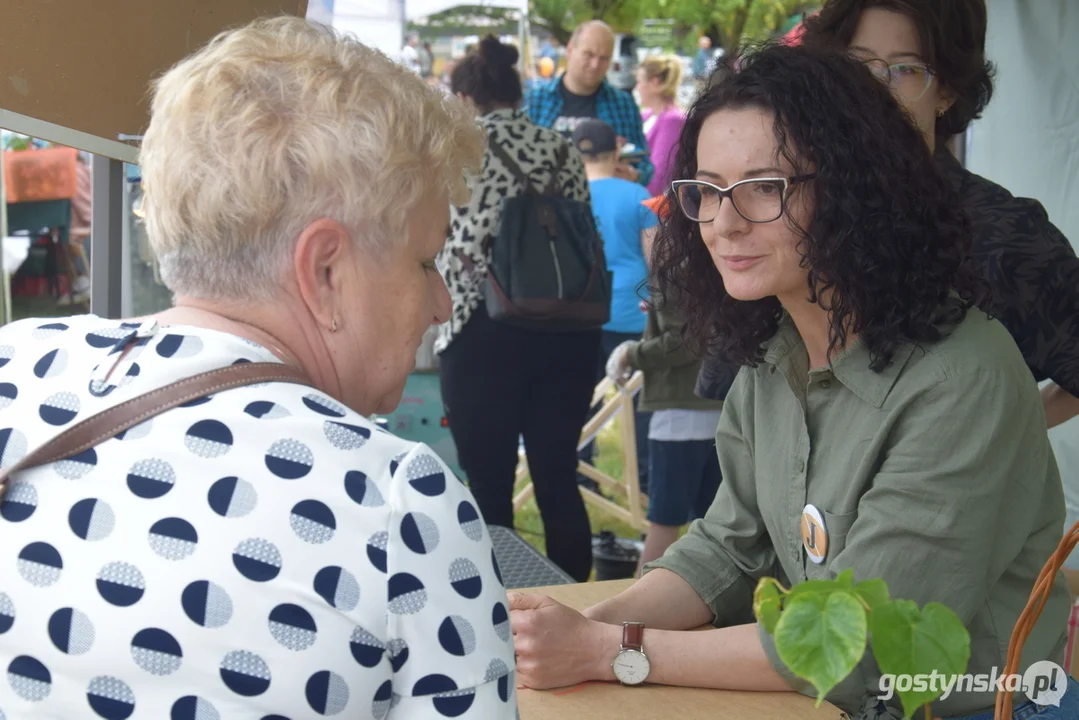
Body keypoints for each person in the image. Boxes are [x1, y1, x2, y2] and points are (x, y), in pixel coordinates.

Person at [508, 43, 1075, 719]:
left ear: (855, 191)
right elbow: (725, 550)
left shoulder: (961, 378)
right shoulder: (774, 356)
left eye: (762, 187)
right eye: (707, 189)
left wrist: (611, 652)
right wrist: (587, 627)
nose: (723, 222)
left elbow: (858, 648)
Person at [0, 18, 517, 719]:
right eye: (425, 261)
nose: (441, 299)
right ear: (325, 270)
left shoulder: (17, 364)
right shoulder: (400, 507)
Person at [796, 0, 1079, 430]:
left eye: (906, 69)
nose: (876, 87)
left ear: (946, 90)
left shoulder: (1003, 233)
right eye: (857, 64)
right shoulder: (792, 208)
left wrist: (1004, 436)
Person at [436, 36, 598, 583]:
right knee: (557, 475)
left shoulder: (459, 151)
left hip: (483, 333)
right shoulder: (562, 147)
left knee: (487, 485)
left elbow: (451, 247)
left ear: (464, 98)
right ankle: (579, 607)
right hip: (567, 329)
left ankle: (500, 620)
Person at [605, 195, 723, 572]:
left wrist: (631, 354)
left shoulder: (677, 271)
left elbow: (684, 342)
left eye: (649, 229)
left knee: (664, 522)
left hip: (678, 412)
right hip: (716, 408)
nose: (645, 239)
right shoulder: (710, 265)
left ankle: (638, 607)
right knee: (713, 521)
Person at [571, 119, 658, 497]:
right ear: (617, 152)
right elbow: (657, 259)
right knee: (640, 400)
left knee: (582, 396)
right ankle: (645, 479)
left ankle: (581, 474)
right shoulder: (638, 195)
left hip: (582, 310)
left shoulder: (568, 196)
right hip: (631, 309)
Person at [523, 20, 654, 187]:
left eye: (604, 58)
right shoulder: (535, 100)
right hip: (546, 205)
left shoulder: (623, 104)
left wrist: (635, 176)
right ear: (570, 50)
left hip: (603, 206)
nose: (595, 65)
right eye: (589, 55)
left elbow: (644, 163)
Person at [636, 55, 687, 196]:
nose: (637, 87)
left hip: (652, 207)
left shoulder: (673, 120)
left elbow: (660, 176)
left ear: (655, 82)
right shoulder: (647, 116)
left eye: (639, 82)